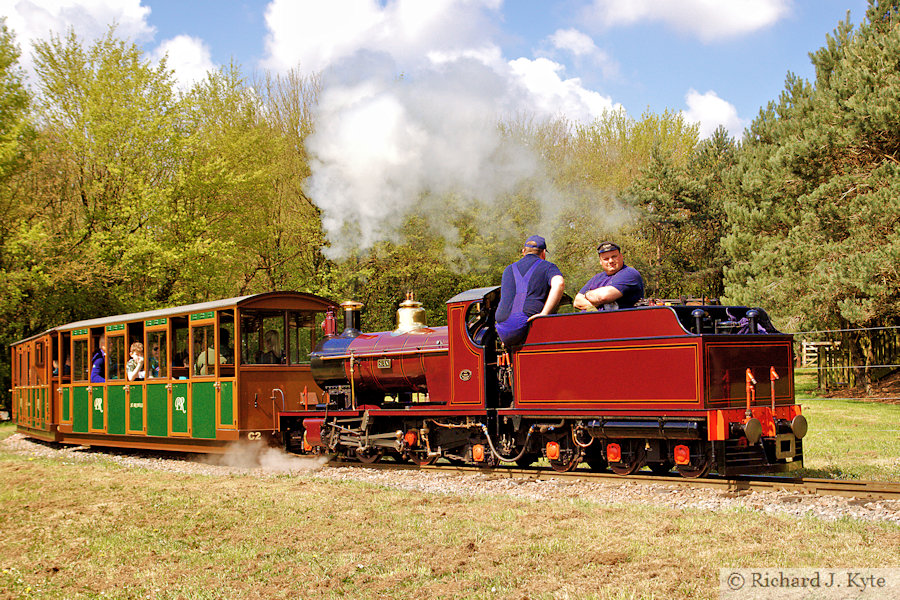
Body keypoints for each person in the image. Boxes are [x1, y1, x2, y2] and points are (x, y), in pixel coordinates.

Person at [495, 235, 565, 347]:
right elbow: (559, 283)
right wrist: (544, 314)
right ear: (543, 253)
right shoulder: (548, 266)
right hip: (524, 324)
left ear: (524, 251)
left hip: (502, 327)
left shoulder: (508, 269)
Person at [573, 241, 644, 311]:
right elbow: (577, 301)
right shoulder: (597, 278)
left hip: (620, 320)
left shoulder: (629, 273)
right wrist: (594, 308)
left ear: (621, 256)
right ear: (600, 261)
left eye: (614, 257)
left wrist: (586, 294)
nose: (610, 261)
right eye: (606, 259)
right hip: (595, 320)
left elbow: (604, 296)